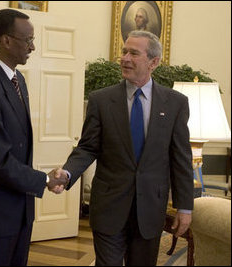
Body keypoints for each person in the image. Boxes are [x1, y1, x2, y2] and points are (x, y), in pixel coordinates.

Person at [54, 30, 194, 266]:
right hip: (109, 207)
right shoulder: (101, 100)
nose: (125, 58)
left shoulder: (176, 103)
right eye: (124, 51)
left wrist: (185, 207)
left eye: (134, 53)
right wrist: (68, 173)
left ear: (153, 62)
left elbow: (180, 158)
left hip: (150, 209)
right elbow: (87, 148)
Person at [0, 9, 68, 266]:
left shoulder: (17, 78)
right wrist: (43, 179)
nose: (33, 46)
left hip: (20, 210)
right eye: (28, 40)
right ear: (6, 41)